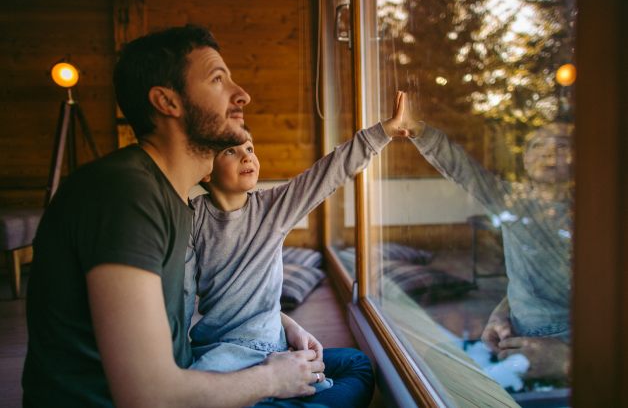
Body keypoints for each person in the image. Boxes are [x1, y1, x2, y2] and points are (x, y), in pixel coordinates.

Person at [22, 24, 327, 408]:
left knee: (345, 364)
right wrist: (271, 378)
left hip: (186, 375)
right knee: (334, 377)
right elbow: (147, 396)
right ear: (167, 102)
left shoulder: (177, 202)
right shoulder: (124, 196)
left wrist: (284, 323)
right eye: (218, 80)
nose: (242, 95)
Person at [185, 91, 410, 407]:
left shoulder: (273, 207)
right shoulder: (190, 218)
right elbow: (178, 300)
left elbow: (327, 174)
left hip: (273, 347)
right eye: (232, 152)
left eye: (249, 148)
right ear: (206, 170)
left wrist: (384, 131)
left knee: (356, 363)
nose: (247, 156)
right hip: (223, 355)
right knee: (192, 396)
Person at [410, 120, 573, 380]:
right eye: (537, 145)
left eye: (562, 145)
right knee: (428, 368)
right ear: (526, 159)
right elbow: (464, 170)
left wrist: (570, 359)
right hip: (515, 341)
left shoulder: (598, 215)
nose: (548, 152)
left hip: (567, 353)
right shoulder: (510, 200)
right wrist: (500, 314)